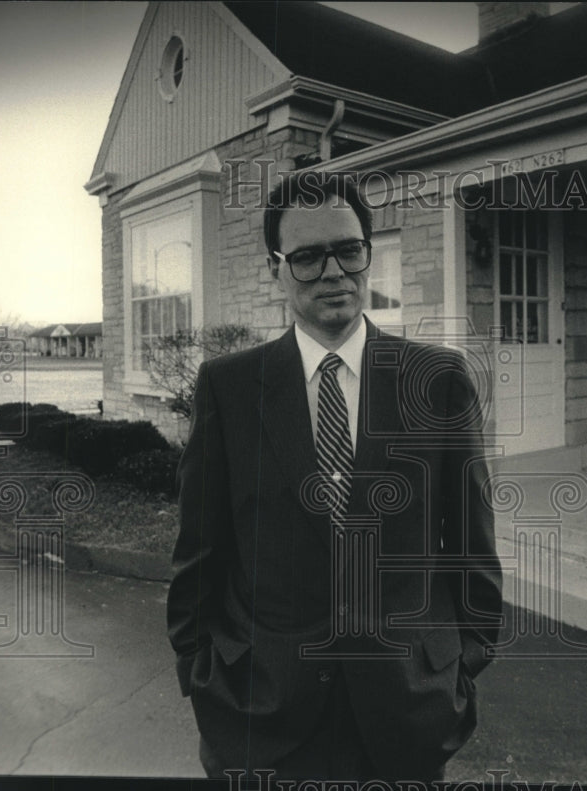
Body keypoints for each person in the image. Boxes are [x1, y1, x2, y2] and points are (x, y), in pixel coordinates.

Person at [167, 172, 503, 782]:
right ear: (277, 269)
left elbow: (473, 545)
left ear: (368, 255)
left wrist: (461, 662)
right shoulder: (230, 388)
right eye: (306, 256)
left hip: (408, 712)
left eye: (348, 250)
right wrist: (201, 671)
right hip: (259, 716)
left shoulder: (438, 379)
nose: (332, 271)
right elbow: (199, 552)